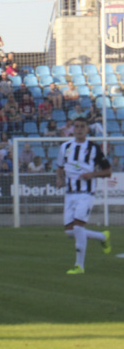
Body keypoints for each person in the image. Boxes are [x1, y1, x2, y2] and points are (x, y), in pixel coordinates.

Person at [56, 117, 113, 274]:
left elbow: (108, 172)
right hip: (69, 194)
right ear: (72, 129)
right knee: (69, 231)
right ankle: (102, 237)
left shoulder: (94, 148)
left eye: (82, 127)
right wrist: (59, 179)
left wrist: (92, 174)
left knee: (78, 227)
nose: (79, 129)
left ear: (87, 129)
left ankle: (79, 265)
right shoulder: (65, 147)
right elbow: (60, 167)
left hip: (86, 193)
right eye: (77, 126)